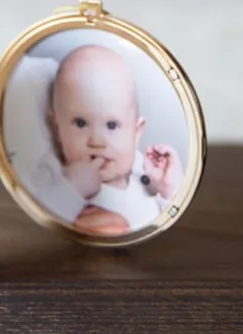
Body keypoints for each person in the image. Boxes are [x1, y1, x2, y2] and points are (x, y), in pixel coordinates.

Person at [27, 44, 183, 235]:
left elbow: (164, 222)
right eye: (81, 123)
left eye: (111, 125)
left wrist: (169, 191)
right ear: (57, 127)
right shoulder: (53, 175)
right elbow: (41, 213)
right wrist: (71, 190)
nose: (97, 142)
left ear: (136, 133)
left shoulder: (141, 172)